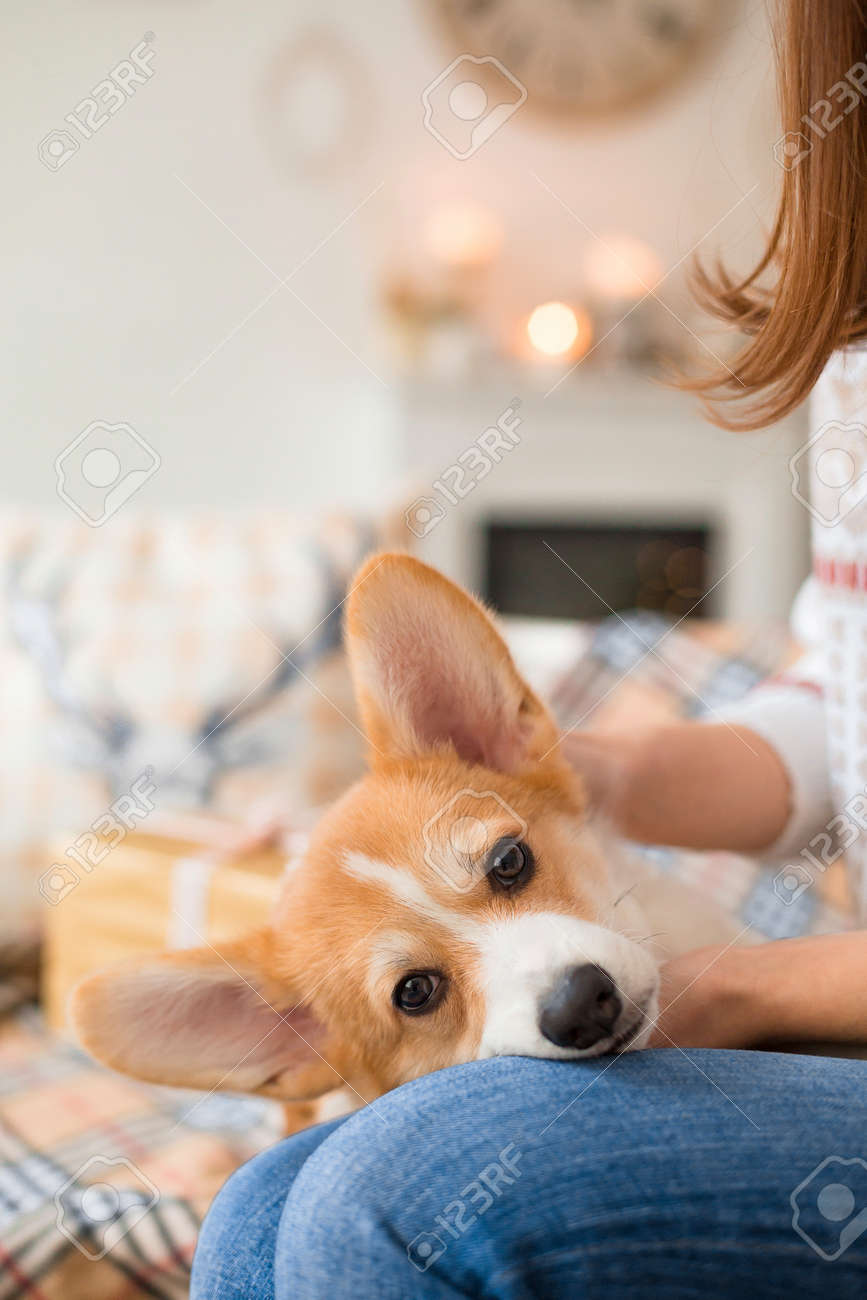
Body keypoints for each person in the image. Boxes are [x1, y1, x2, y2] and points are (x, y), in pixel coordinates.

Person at [191, 4, 867, 1295]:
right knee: (256, 1213)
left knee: (384, 1201)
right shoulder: (857, 357)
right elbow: (846, 696)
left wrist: (740, 992)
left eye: (508, 867)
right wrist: (585, 775)